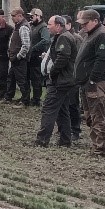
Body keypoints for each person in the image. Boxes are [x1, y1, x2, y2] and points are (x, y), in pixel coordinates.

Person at [74, 9, 105, 156]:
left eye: (85, 23)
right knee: (89, 116)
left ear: (95, 21)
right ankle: (95, 144)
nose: (83, 26)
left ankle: (100, 149)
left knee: (97, 116)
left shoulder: (102, 35)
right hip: (86, 82)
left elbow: (102, 60)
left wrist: (92, 80)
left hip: (95, 83)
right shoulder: (90, 34)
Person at [35, 15, 79, 146]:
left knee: (48, 109)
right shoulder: (63, 36)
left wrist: (52, 72)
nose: (47, 27)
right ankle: (65, 140)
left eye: (49, 24)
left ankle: (42, 140)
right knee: (62, 110)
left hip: (60, 81)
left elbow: (63, 57)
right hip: (66, 80)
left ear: (58, 26)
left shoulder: (64, 37)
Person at [5, 8, 32, 106]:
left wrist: (18, 56)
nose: (12, 18)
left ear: (20, 15)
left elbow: (26, 45)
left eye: (13, 16)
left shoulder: (23, 27)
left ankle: (25, 101)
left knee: (21, 80)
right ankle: (8, 97)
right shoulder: (18, 26)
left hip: (19, 59)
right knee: (11, 78)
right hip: (15, 58)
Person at [28, 8, 49, 106]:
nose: (30, 18)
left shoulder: (43, 27)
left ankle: (36, 99)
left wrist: (33, 48)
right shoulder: (32, 26)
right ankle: (29, 98)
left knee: (36, 79)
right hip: (31, 57)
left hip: (38, 57)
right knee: (30, 78)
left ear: (38, 16)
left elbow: (45, 40)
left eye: (32, 16)